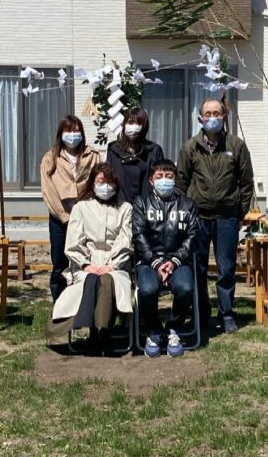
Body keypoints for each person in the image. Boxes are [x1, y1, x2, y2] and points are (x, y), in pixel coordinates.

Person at [176, 97, 254, 334]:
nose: (212, 118)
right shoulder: (190, 147)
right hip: (197, 218)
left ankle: (227, 313)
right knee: (197, 267)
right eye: (207, 114)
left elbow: (246, 182)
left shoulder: (236, 146)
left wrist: (240, 212)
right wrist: (185, 214)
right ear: (200, 118)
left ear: (224, 117)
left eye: (216, 113)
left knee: (226, 268)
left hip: (227, 217)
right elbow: (181, 182)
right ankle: (200, 313)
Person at [47, 163, 134, 352]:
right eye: (101, 181)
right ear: (93, 183)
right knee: (93, 279)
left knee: (108, 279)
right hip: (86, 264)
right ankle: (94, 331)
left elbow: (125, 240)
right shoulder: (81, 208)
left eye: (110, 182)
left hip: (116, 265)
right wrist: (86, 264)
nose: (106, 186)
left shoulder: (125, 208)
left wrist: (112, 264)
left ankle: (103, 331)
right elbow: (74, 241)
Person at [132, 159, 200, 358]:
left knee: (186, 287)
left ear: (175, 179)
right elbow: (139, 235)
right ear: (151, 180)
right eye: (159, 177)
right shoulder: (141, 203)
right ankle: (153, 330)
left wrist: (175, 260)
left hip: (178, 261)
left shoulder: (187, 205)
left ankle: (173, 327)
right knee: (147, 289)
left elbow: (193, 235)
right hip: (148, 262)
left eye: (169, 177)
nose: (164, 181)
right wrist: (156, 262)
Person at [40, 115, 101, 302]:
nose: (73, 135)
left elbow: (98, 182)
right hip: (60, 219)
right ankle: (60, 306)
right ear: (61, 134)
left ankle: (84, 302)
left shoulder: (93, 155)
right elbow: (48, 192)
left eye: (76, 131)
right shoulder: (50, 158)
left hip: (86, 217)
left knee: (85, 260)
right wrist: (63, 215)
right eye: (69, 131)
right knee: (59, 263)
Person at [106, 106, 165, 205]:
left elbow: (160, 180)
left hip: (147, 207)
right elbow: (109, 178)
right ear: (124, 125)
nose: (133, 127)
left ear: (144, 126)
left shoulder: (154, 150)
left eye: (138, 123)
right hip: (120, 207)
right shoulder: (114, 150)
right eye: (130, 123)